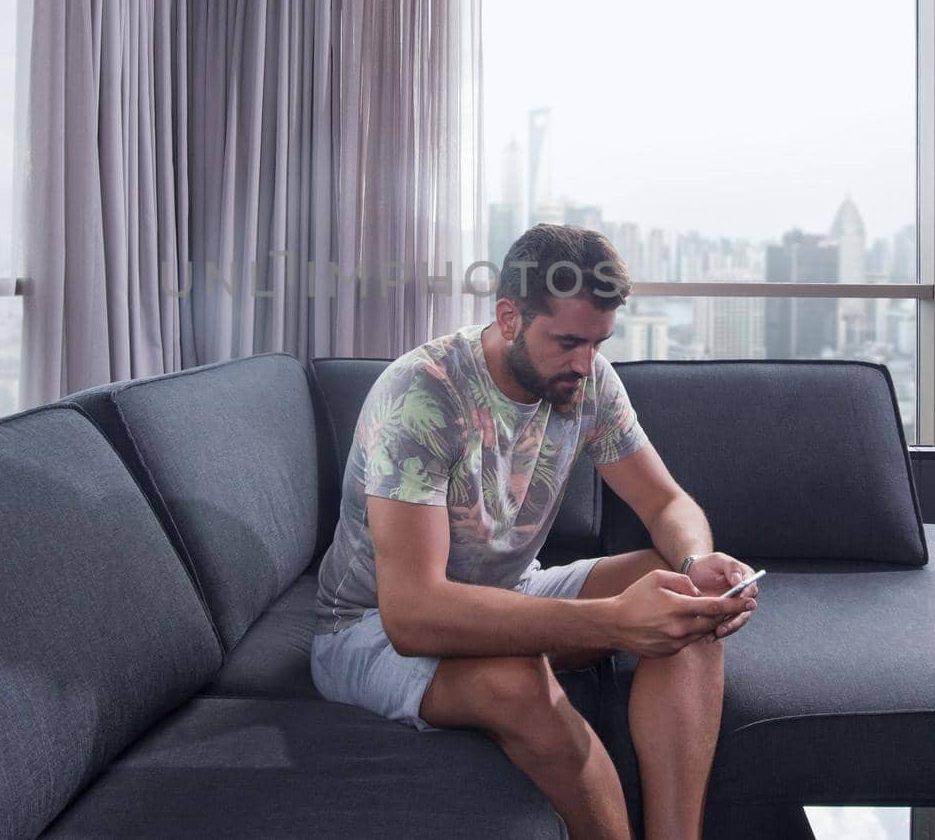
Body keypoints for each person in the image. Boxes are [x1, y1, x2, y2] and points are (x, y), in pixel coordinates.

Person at [311, 224, 760, 840]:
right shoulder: (424, 394)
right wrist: (613, 621)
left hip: (514, 592)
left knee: (692, 599)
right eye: (569, 341)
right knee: (519, 680)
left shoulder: (588, 379)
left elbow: (666, 502)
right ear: (509, 317)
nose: (586, 362)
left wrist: (694, 564)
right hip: (369, 632)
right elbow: (411, 615)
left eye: (598, 343)